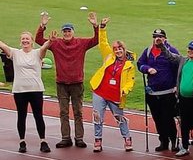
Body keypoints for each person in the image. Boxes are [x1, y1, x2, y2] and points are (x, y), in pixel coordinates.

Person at [36, 11, 100, 148]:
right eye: (64, 31)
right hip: (62, 84)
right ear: (62, 33)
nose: (67, 33)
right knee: (63, 112)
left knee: (78, 112)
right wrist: (42, 26)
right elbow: (38, 41)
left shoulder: (81, 43)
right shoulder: (55, 43)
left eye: (69, 31)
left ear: (73, 32)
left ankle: (79, 138)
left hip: (77, 83)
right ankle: (66, 138)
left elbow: (96, 40)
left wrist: (96, 26)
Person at [87, 19, 135, 152]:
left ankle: (127, 138)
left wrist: (126, 90)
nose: (117, 51)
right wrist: (102, 27)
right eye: (115, 49)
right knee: (97, 116)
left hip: (115, 95)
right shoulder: (109, 56)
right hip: (100, 91)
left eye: (120, 49)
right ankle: (97, 140)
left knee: (119, 117)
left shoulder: (129, 65)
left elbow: (131, 80)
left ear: (124, 49)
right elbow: (103, 42)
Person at [0, 30, 51, 153]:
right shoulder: (15, 53)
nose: (25, 41)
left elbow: (44, 48)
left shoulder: (37, 53)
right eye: (23, 39)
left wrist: (49, 41)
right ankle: (22, 141)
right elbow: (3, 46)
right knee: (21, 116)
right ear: (20, 41)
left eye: (27, 39)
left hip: (36, 89)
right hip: (20, 90)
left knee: (38, 115)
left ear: (32, 41)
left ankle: (43, 141)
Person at [137, 28, 182, 152]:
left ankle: (174, 140)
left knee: (168, 118)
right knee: (157, 118)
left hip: (168, 92)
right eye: (156, 36)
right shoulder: (148, 51)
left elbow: (178, 68)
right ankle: (163, 141)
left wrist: (176, 86)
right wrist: (147, 69)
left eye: (160, 36)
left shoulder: (171, 51)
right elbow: (140, 64)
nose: (158, 39)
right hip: (152, 92)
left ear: (165, 38)